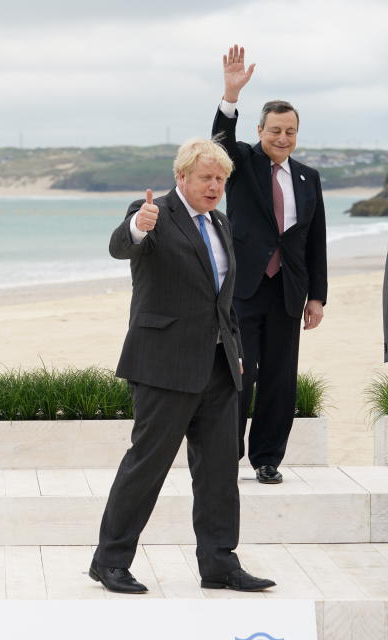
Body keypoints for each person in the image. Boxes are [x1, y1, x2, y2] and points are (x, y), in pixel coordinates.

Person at [89, 138, 275, 594]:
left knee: (218, 473)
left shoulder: (221, 223)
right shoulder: (153, 213)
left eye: (220, 180)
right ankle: (109, 561)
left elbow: (222, 297)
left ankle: (219, 563)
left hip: (217, 367)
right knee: (146, 467)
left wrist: (235, 350)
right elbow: (120, 245)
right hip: (163, 366)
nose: (215, 187)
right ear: (182, 177)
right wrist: (137, 224)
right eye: (206, 178)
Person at [215, 45, 328, 484]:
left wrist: (317, 296)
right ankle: (226, 455)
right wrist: (230, 95)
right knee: (241, 374)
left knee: (281, 380)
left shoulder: (307, 177)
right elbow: (219, 142)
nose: (283, 138)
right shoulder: (241, 162)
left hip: (288, 291)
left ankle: (267, 459)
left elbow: (314, 240)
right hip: (243, 288)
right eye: (275, 130)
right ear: (260, 129)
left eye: (291, 131)